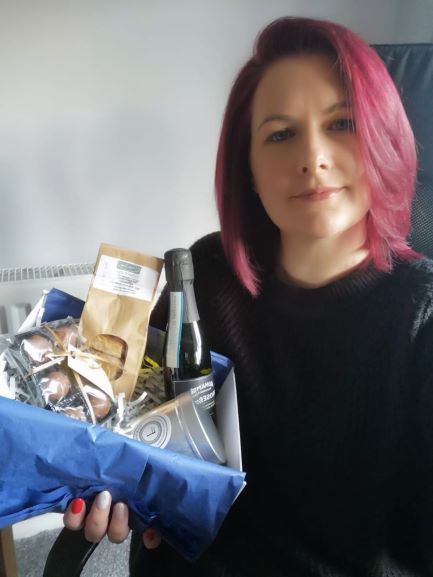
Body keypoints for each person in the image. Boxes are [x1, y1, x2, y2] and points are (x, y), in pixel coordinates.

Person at [64, 16, 433, 576]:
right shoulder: (205, 277)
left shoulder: (420, 316)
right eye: (281, 134)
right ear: (250, 170)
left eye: (342, 123)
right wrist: (105, 480)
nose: (313, 157)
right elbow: (139, 430)